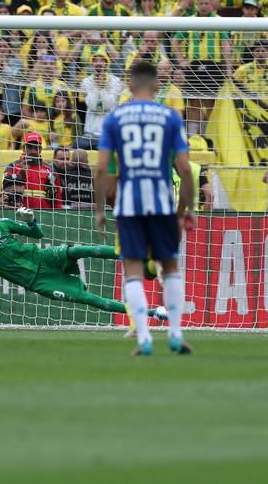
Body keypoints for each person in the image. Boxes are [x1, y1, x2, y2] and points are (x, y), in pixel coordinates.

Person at [0, 204, 168, 321]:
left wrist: (31, 222)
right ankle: (153, 313)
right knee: (91, 300)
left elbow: (37, 235)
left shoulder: (2, 224)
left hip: (41, 257)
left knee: (81, 249)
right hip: (37, 281)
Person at [95, 61, 195, 356]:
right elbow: (185, 170)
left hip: (129, 204)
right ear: (156, 86)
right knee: (171, 267)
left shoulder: (115, 118)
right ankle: (176, 335)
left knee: (133, 270)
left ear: (128, 86)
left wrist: (100, 209)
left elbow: (102, 168)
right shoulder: (170, 117)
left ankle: (144, 339)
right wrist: (183, 210)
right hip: (162, 201)